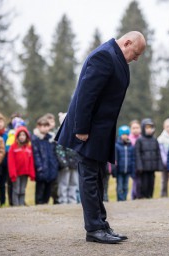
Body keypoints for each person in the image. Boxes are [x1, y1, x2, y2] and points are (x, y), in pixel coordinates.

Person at [55, 31, 146, 244]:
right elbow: (87, 94)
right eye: (136, 53)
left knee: (97, 177)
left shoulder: (113, 55)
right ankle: (94, 229)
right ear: (127, 42)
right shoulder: (104, 56)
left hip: (99, 131)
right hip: (88, 130)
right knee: (89, 178)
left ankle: (101, 224)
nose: (136, 58)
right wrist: (81, 129)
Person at [32, 116, 58, 205]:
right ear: (38, 127)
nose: (44, 128)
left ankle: (45, 203)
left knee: (48, 189)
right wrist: (39, 167)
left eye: (46, 126)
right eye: (42, 126)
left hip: (51, 168)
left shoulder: (51, 139)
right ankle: (39, 204)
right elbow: (36, 154)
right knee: (40, 189)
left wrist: (55, 165)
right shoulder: (35, 139)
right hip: (41, 169)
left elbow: (54, 153)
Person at [135, 118, 163, 199]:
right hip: (143, 168)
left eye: (151, 127)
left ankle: (150, 196)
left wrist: (159, 165)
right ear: (143, 128)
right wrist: (139, 166)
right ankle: (143, 196)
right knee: (144, 183)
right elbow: (137, 154)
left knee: (151, 182)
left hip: (152, 167)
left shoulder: (155, 140)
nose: (149, 130)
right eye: (147, 128)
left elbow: (158, 153)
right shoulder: (139, 140)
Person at [8, 126, 35, 206]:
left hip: (25, 173)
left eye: (24, 135)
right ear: (17, 136)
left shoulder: (28, 147)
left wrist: (31, 173)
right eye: (20, 135)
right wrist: (13, 173)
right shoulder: (13, 147)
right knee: (16, 190)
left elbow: (31, 161)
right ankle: (16, 205)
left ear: (26, 136)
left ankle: (21, 204)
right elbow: (11, 161)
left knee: (23, 190)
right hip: (16, 173)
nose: (22, 137)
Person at [55, 113, 79, 204]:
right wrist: (64, 163)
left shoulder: (75, 133)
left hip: (75, 164)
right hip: (65, 165)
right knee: (64, 183)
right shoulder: (61, 133)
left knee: (74, 183)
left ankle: (72, 200)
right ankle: (63, 200)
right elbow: (59, 150)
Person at [115, 125, 135, 201]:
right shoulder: (117, 146)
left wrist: (132, 169)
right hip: (119, 170)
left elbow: (133, 159)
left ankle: (124, 199)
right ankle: (120, 199)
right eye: (123, 134)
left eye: (126, 134)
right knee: (119, 186)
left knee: (126, 186)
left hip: (128, 170)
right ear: (120, 135)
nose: (125, 136)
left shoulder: (131, 146)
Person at [157, 118, 169, 198]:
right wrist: (167, 162)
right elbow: (161, 152)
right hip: (165, 163)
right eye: (167, 126)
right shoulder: (161, 138)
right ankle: (163, 195)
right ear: (164, 127)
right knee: (164, 180)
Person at [129, 120, 142, 200]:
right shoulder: (129, 139)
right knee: (135, 180)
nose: (135, 129)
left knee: (140, 180)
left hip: (141, 163)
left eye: (137, 127)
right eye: (133, 128)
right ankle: (133, 195)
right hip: (132, 163)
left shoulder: (142, 138)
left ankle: (139, 195)